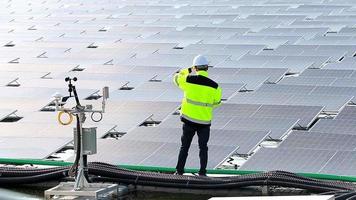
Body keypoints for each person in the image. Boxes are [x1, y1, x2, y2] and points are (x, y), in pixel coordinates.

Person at [173, 55, 222, 176]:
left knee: (184, 147)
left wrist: (188, 70)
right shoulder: (215, 86)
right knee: (203, 148)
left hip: (188, 120)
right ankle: (202, 172)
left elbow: (175, 77)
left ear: (195, 68)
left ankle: (179, 171)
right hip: (204, 122)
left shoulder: (188, 80)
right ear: (207, 68)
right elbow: (216, 103)